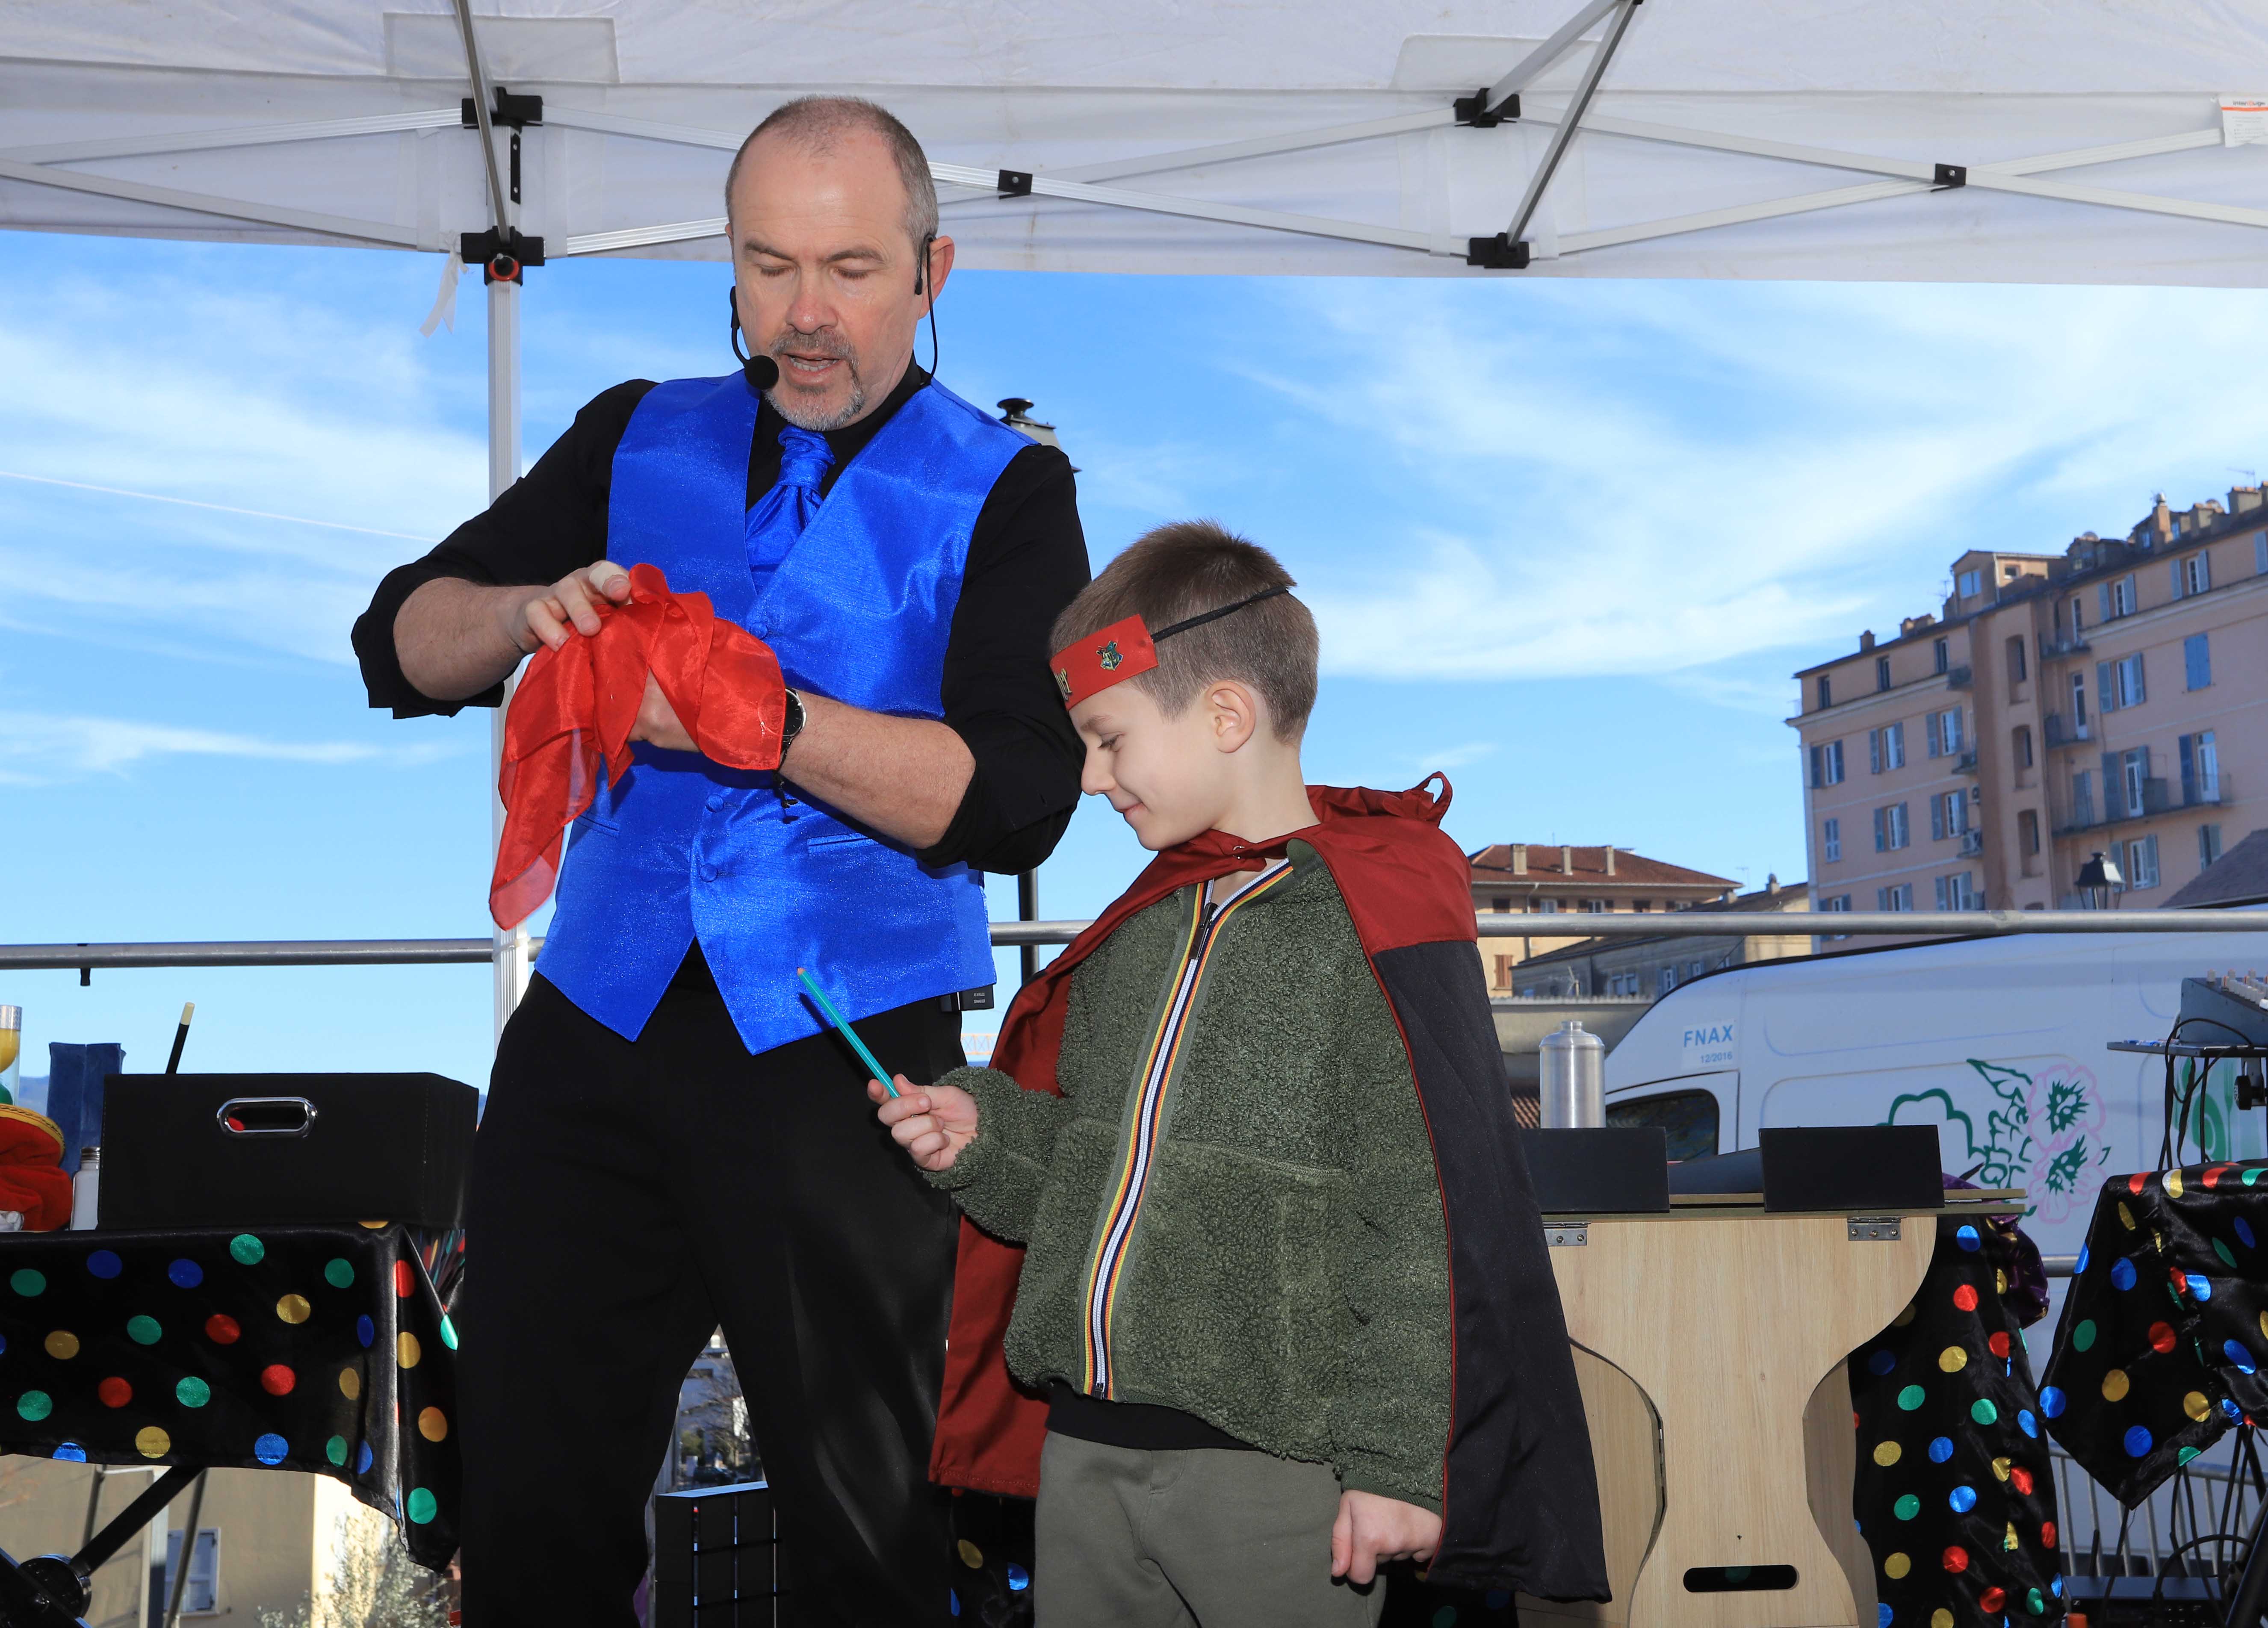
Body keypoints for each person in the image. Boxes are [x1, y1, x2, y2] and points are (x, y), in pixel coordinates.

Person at [349, 97, 1089, 1627]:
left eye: (852, 268)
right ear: (731, 270)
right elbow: (400, 636)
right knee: (530, 1506)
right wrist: (521, 614)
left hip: (847, 1055)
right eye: (769, 266)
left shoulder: (1010, 490)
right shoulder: (632, 431)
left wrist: (764, 721)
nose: (806, 314)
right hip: (593, 1033)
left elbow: (1017, 799)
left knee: (865, 1526)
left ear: (932, 270)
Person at [868, 523, 1609, 1624]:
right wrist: (986, 1138)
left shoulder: (1373, 926)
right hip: (1087, 1452)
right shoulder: (1135, 935)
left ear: (1225, 715)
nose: (1089, 776)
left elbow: (1426, 1216)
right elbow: (1090, 1178)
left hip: (1277, 1475)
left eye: (1109, 738)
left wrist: (1398, 1464)